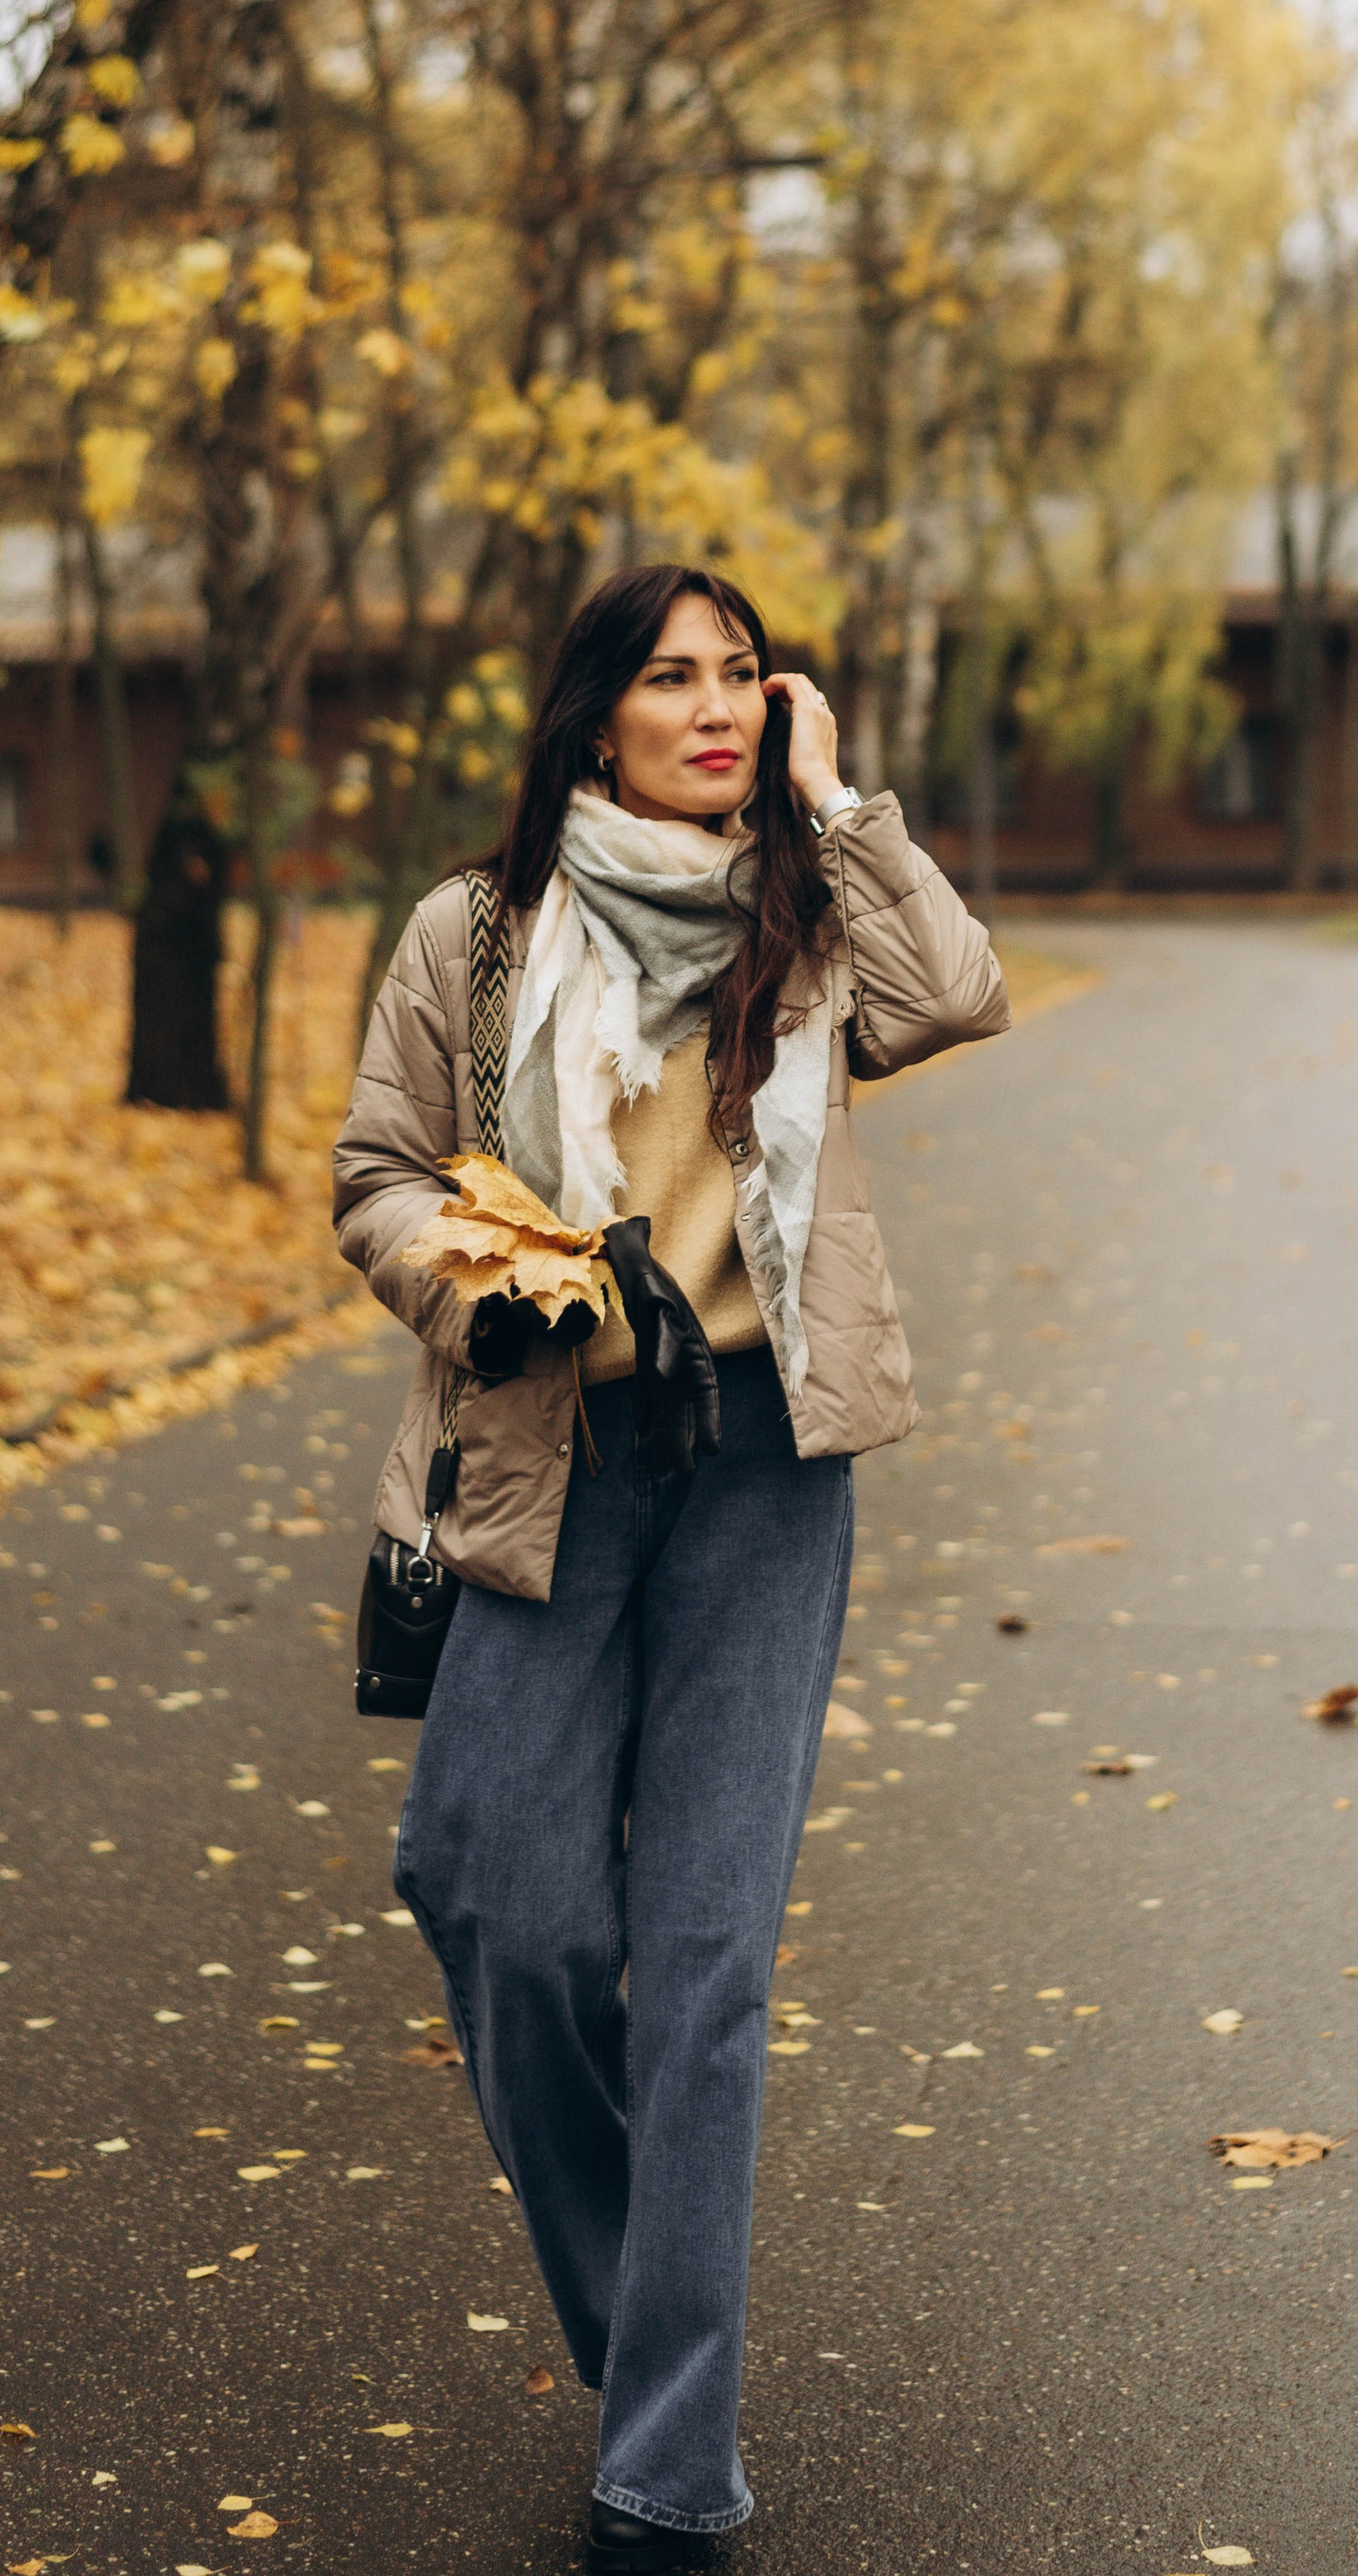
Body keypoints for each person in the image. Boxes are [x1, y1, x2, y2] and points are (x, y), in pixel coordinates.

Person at [332, 563, 1010, 2569]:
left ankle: (666, 2474)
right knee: (497, 1903)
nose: (711, 706)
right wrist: (490, 1288)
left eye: (740, 675)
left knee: (701, 1964)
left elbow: (955, 991)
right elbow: (375, 1177)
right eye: (669, 680)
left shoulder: (800, 926)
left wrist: (831, 795)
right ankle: (659, 2345)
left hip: (759, 1471)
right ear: (593, 716)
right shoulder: (475, 930)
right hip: (552, 1450)